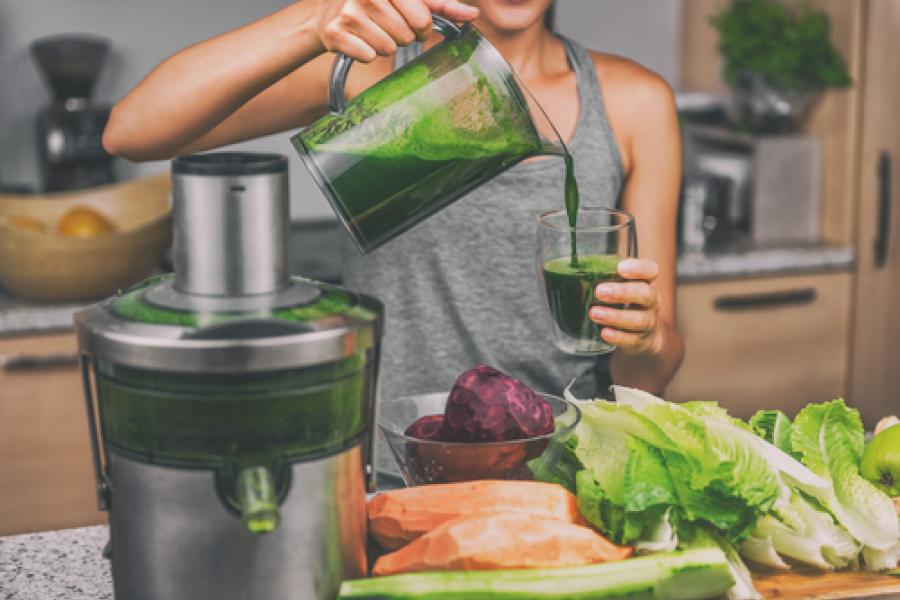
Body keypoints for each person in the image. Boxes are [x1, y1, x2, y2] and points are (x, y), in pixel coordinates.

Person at [103, 0, 684, 405]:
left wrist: (646, 338)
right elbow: (132, 132)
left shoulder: (635, 102)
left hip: (560, 469)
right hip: (392, 471)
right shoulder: (373, 72)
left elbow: (650, 374)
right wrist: (314, 18)